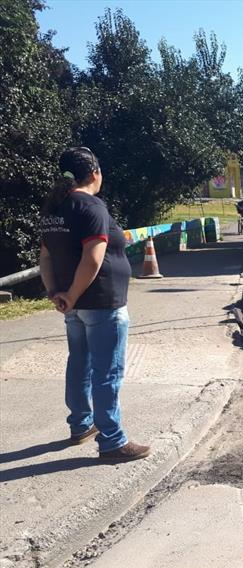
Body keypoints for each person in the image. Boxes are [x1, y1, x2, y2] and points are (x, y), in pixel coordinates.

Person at [39, 147, 150, 462]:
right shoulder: (91, 206)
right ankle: (112, 441)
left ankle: (81, 425)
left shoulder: (53, 209)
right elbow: (93, 258)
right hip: (101, 303)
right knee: (107, 372)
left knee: (80, 364)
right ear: (95, 173)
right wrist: (71, 294)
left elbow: (45, 258)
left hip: (73, 304)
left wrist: (57, 293)